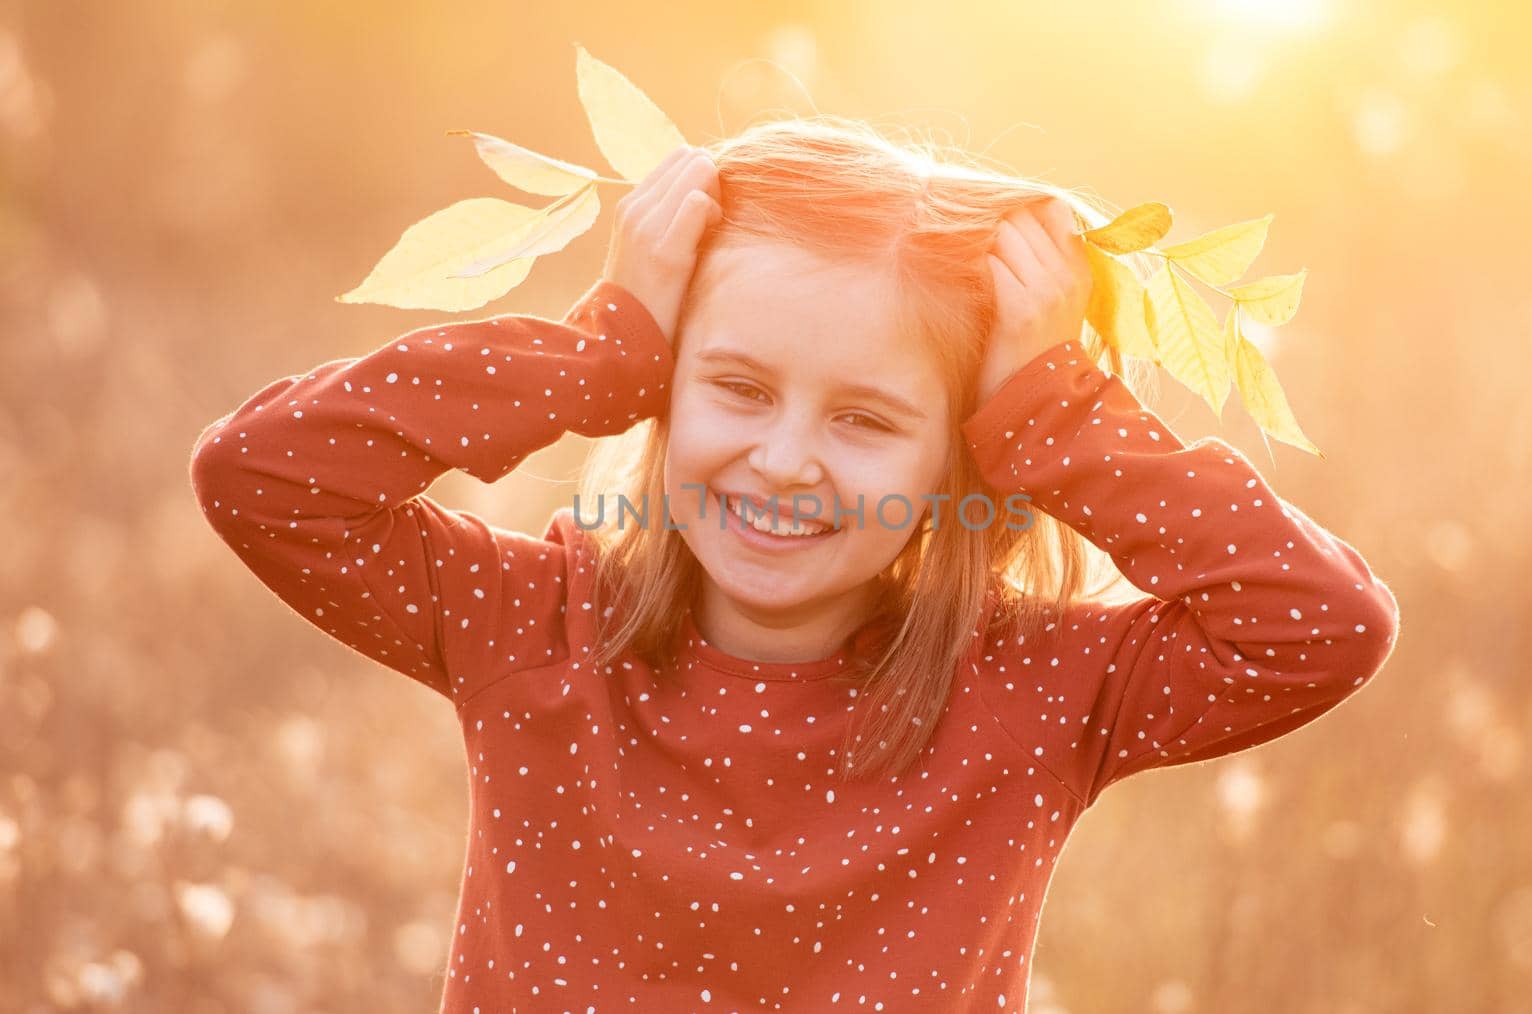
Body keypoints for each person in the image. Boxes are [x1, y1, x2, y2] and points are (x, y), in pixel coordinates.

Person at [188, 117, 1401, 1012]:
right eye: (737, 387)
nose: (782, 460)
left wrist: (1052, 414)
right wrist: (602, 350)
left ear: (958, 458)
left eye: (866, 420)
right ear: (669, 387)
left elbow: (1322, 625)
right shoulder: (537, 628)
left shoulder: (1031, 693)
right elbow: (263, 477)